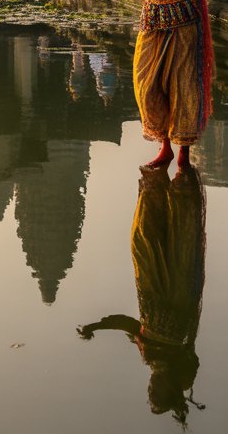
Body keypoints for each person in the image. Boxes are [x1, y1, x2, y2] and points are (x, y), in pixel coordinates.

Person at [72, 0, 213, 169]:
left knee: (181, 85)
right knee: (148, 83)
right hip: (153, 18)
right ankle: (164, 146)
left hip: (181, 22)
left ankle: (181, 152)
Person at [78, 166, 206, 425]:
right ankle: (180, 165)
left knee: (142, 236)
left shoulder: (148, 353)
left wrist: (97, 325)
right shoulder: (180, 354)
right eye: (156, 392)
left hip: (149, 285)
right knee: (180, 224)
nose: (150, 387)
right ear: (169, 388)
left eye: (149, 392)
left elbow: (128, 324)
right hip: (178, 282)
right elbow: (191, 363)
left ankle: (156, 179)